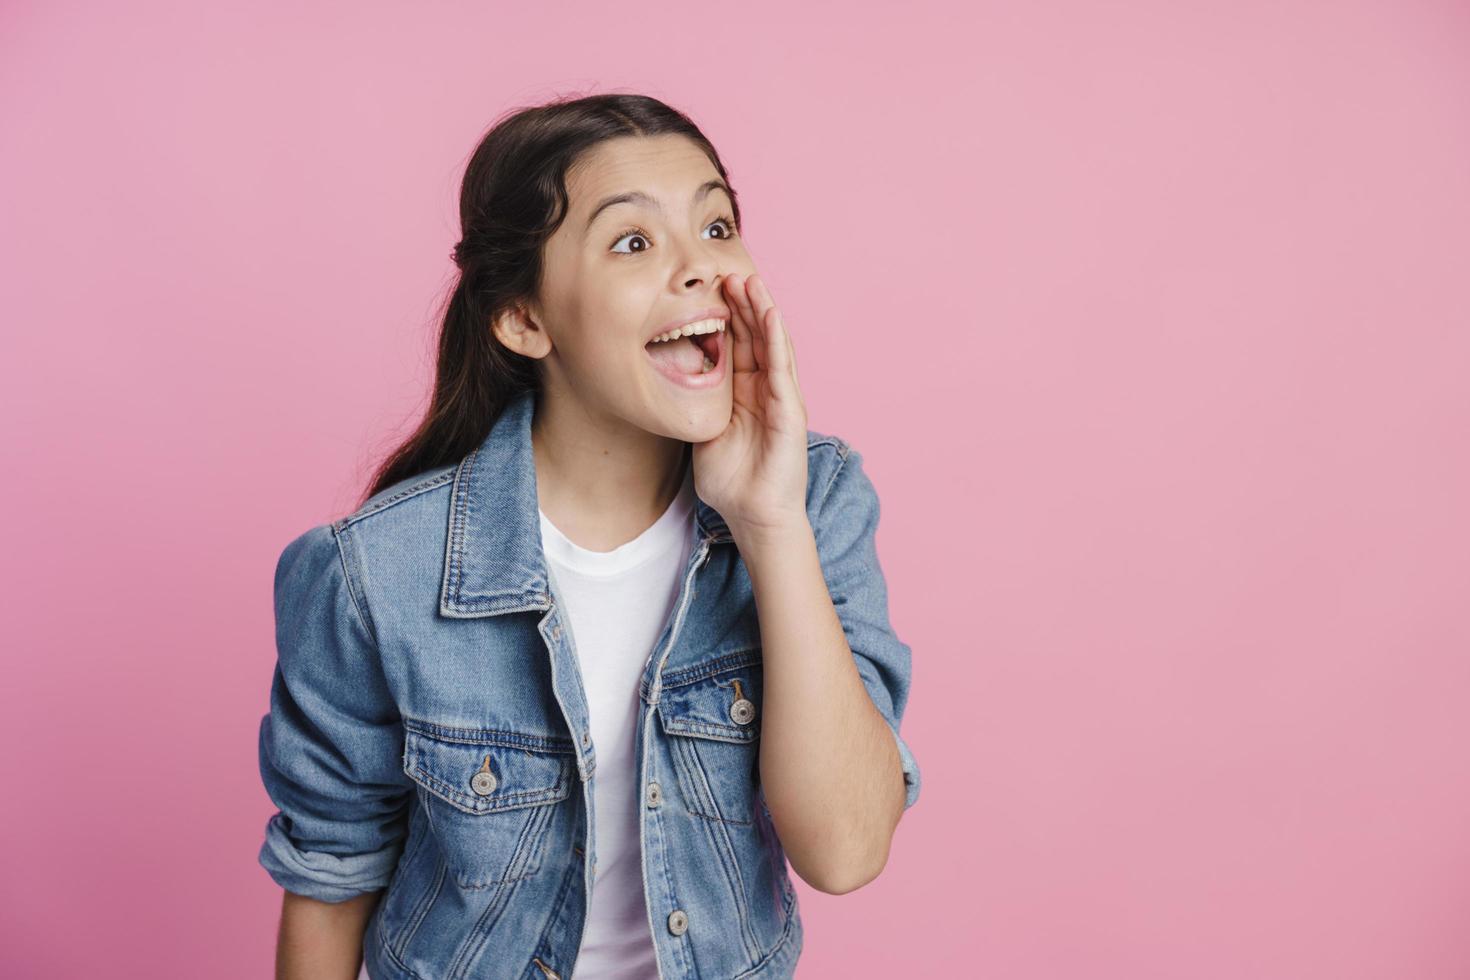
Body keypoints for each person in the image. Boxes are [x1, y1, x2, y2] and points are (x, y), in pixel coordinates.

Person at [256, 92, 921, 980]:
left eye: (718, 225)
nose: (702, 270)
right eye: (634, 242)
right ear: (524, 319)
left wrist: (769, 523)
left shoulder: (817, 498)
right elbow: (329, 887)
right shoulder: (373, 574)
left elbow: (845, 851)